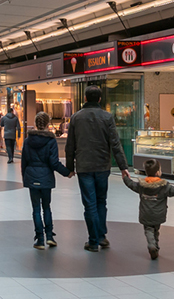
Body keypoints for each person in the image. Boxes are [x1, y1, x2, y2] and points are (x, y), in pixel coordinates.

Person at [65, 85, 129, 252]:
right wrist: (123, 166)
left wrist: (70, 167)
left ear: (85, 98)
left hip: (84, 166)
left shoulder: (76, 117)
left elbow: (70, 145)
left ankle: (93, 241)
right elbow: (115, 143)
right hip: (102, 166)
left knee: (89, 204)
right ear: (99, 99)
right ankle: (101, 236)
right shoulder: (107, 117)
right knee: (101, 201)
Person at [21, 112, 71, 250]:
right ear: (48, 124)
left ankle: (39, 239)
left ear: (36, 123)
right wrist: (67, 173)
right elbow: (54, 162)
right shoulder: (51, 141)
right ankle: (50, 236)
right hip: (46, 177)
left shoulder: (27, 141)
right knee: (47, 207)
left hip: (32, 176)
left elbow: (24, 162)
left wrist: (25, 178)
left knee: (36, 209)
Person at [123, 159, 174, 259]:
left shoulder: (141, 185)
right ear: (158, 172)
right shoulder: (164, 186)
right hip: (159, 214)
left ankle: (152, 245)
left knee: (148, 229)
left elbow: (131, 184)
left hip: (145, 213)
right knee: (156, 230)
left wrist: (125, 178)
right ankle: (155, 247)